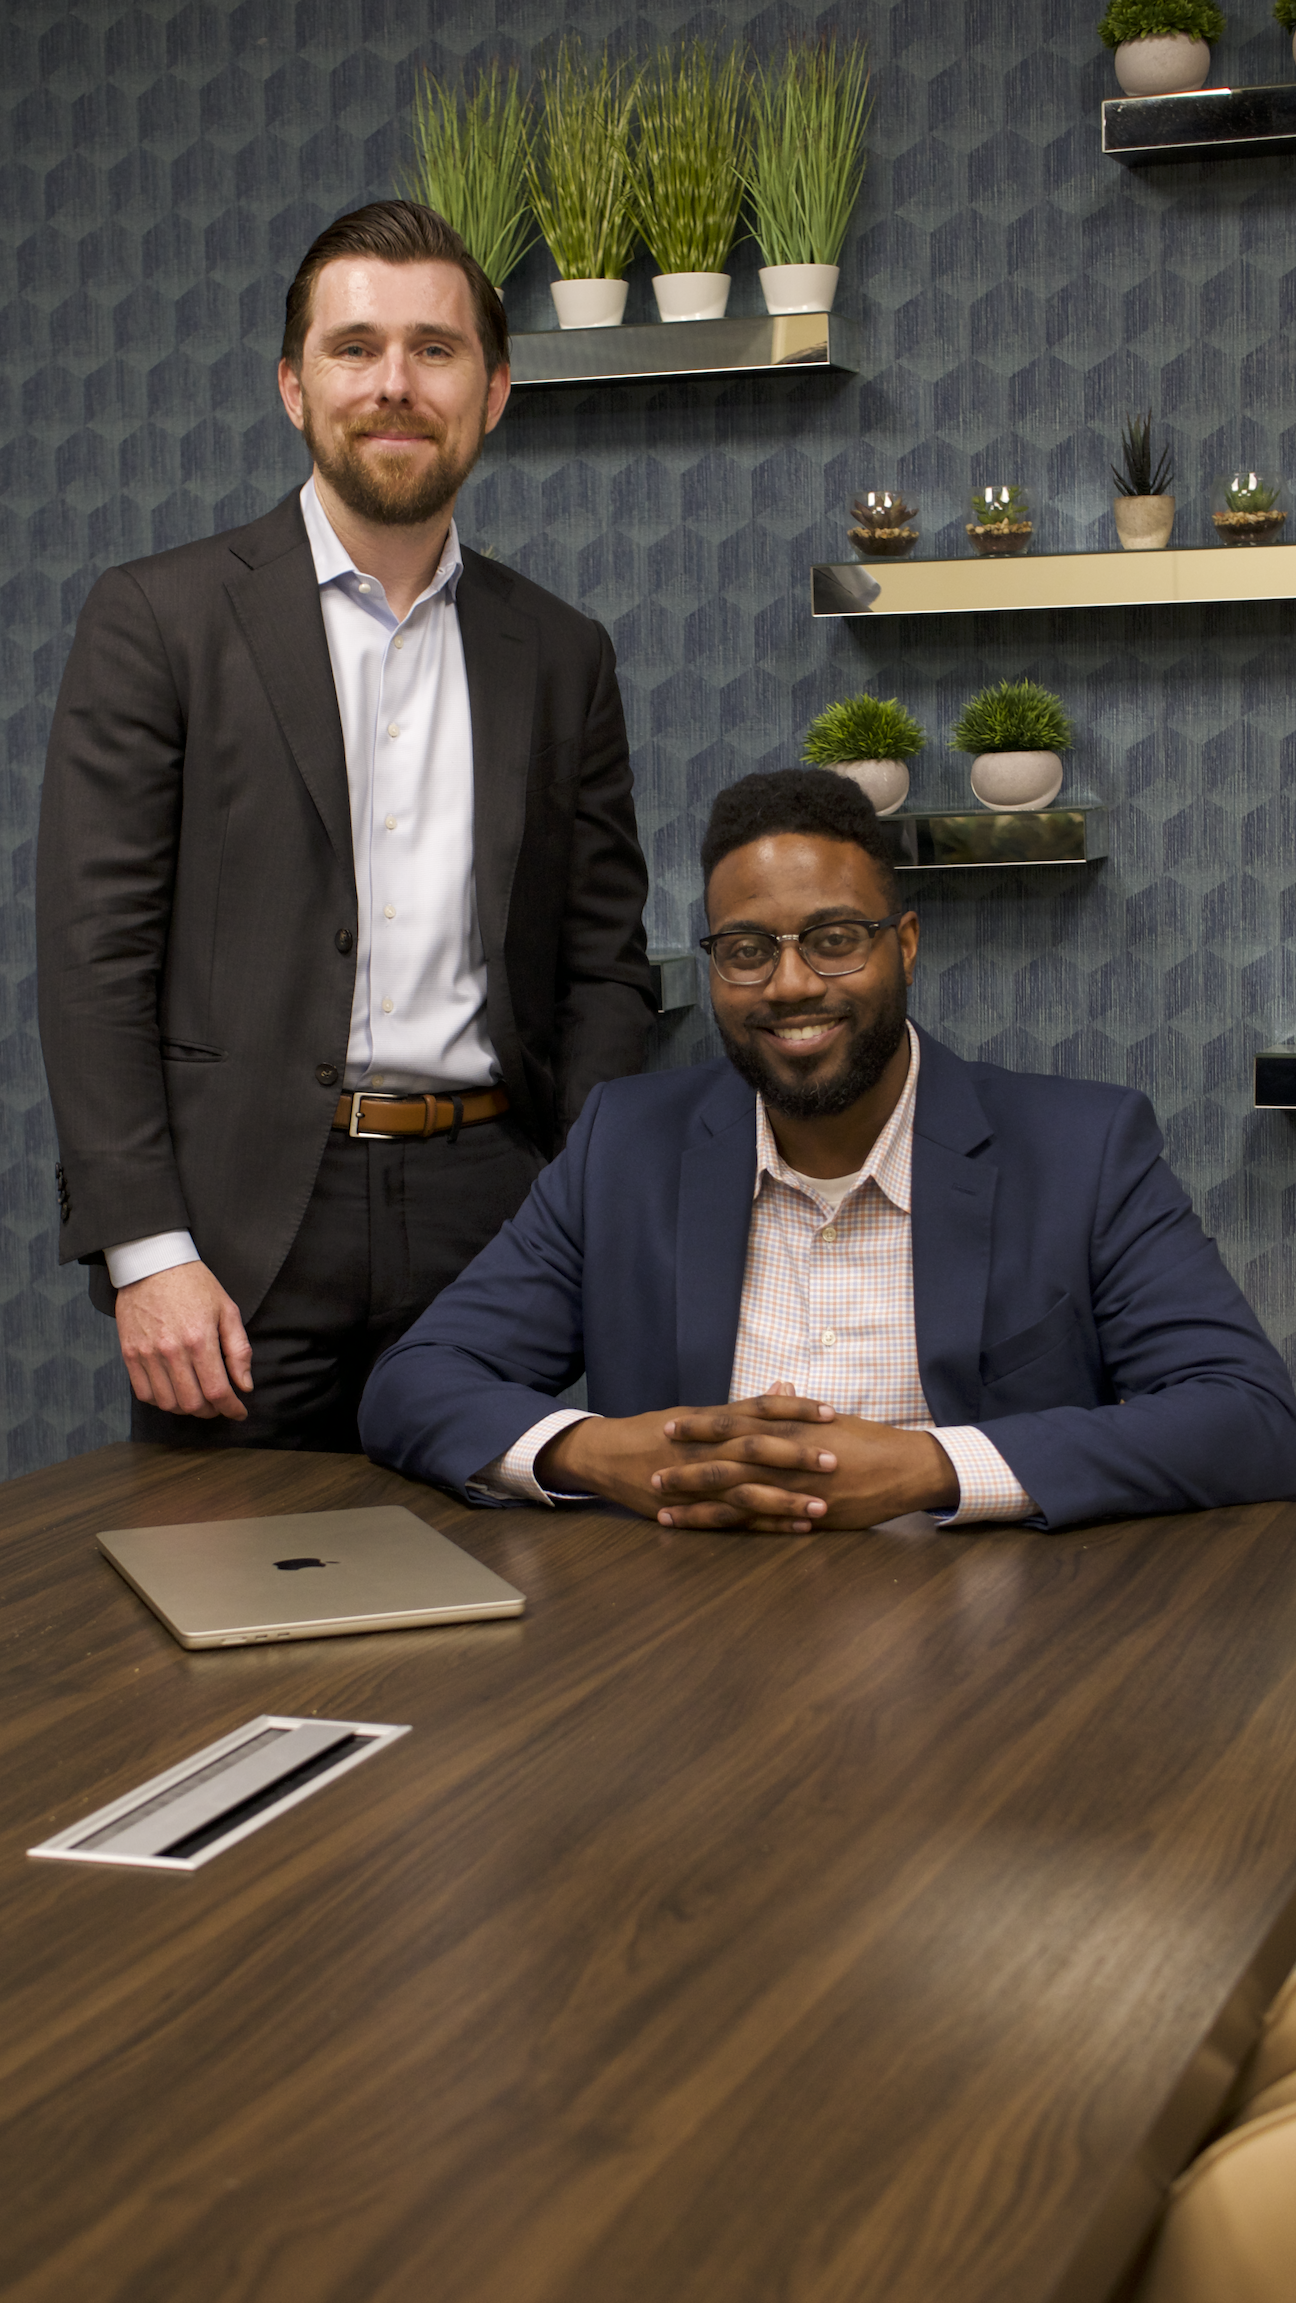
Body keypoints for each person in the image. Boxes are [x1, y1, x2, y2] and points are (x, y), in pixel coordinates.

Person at [37, 200, 655, 1452]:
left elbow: (604, 962)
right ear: (292, 385)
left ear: (494, 393)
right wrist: (146, 1248)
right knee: (236, 1613)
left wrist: (579, 1207)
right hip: (242, 1229)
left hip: (495, 1208)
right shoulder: (158, 619)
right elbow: (92, 954)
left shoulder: (562, 652)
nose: (394, 384)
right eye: (355, 346)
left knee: (514, 1602)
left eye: (435, 349)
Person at [358, 767, 1296, 1533]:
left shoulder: (1081, 1149)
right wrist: (606, 1453)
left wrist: (930, 1466)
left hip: (995, 1655)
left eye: (836, 939)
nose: (792, 982)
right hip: (686, 1646)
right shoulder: (626, 1147)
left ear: (907, 945)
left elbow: (1250, 1417)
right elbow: (414, 1384)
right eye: (747, 949)